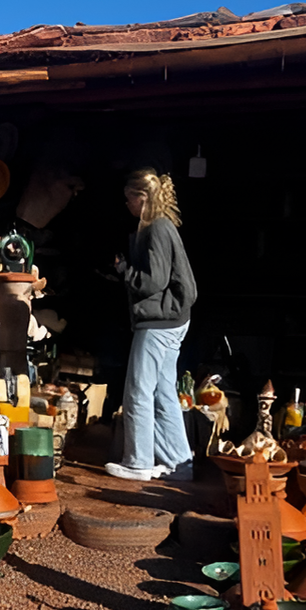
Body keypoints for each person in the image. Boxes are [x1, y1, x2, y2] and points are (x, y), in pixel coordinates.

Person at [106, 170, 197, 482]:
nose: (126, 203)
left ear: (141, 197)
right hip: (174, 319)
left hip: (158, 322)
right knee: (163, 393)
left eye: (129, 197)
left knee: (139, 391)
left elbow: (153, 281)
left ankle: (139, 461)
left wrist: (124, 270)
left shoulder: (156, 228)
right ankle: (179, 463)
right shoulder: (162, 226)